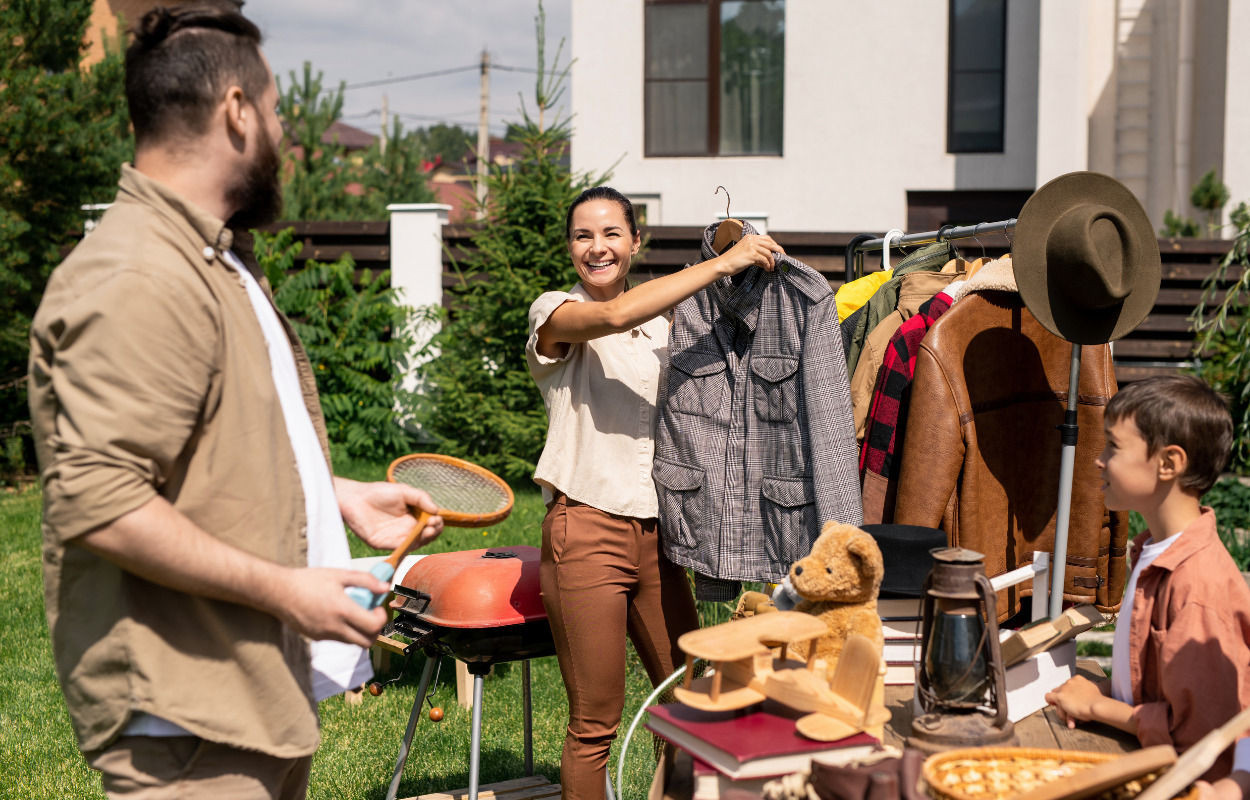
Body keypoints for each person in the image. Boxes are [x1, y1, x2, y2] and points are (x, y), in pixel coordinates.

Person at [27, 5, 442, 797]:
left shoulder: (215, 260)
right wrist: (287, 591)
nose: (288, 133)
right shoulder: (137, 275)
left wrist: (337, 496)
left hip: (251, 693)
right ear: (238, 111)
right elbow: (100, 500)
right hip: (186, 721)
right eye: (280, 108)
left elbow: (221, 438)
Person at [527, 186, 783, 799]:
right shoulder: (555, 312)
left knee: (690, 704)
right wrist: (720, 262)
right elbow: (614, 316)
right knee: (596, 724)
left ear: (634, 242)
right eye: (583, 235)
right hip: (586, 530)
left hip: (660, 537)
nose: (598, 247)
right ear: (570, 248)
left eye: (612, 233)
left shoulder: (663, 330)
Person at [1044, 375, 1250, 783]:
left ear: (1169, 463)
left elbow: (1197, 738)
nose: (1098, 459)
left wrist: (1097, 707)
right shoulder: (1153, 551)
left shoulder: (1197, 589)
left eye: (1113, 447)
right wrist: (1104, 692)